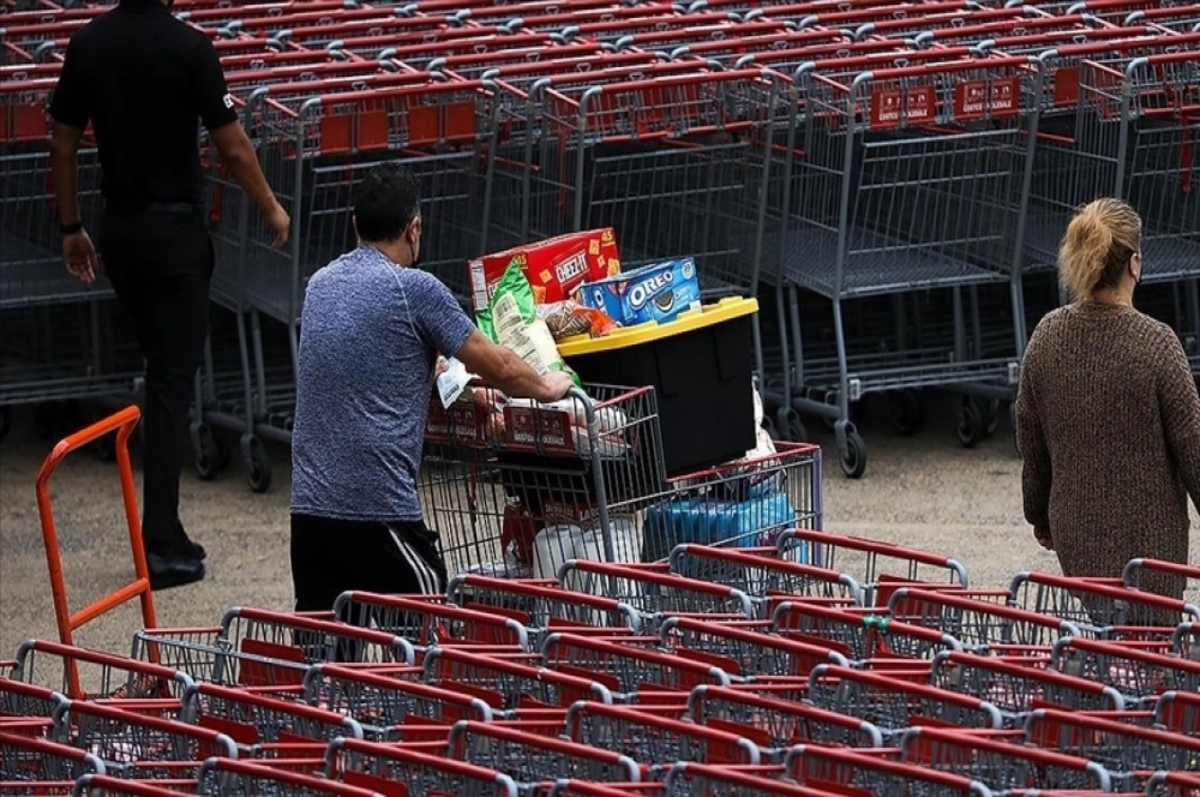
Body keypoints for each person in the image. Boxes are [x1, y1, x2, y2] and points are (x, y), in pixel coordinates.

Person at [48, 0, 291, 590]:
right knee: (170, 383)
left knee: (163, 375)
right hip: (174, 236)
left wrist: (71, 227)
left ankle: (166, 528)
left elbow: (61, 143)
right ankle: (159, 541)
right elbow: (232, 148)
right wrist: (271, 207)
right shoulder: (190, 48)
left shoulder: (88, 43)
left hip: (121, 230)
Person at [289, 161, 573, 617]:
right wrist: (546, 385)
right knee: (428, 637)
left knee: (327, 662)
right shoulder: (414, 290)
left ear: (355, 224)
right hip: (375, 509)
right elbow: (496, 363)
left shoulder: (319, 286)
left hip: (308, 512)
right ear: (414, 228)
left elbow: (361, 353)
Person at [1016, 197, 1200, 614]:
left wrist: (1038, 516)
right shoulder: (1157, 345)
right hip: (1152, 554)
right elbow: (1194, 447)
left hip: (1077, 541)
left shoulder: (1046, 338)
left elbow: (1032, 441)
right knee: (1151, 661)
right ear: (1134, 264)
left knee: (1098, 651)